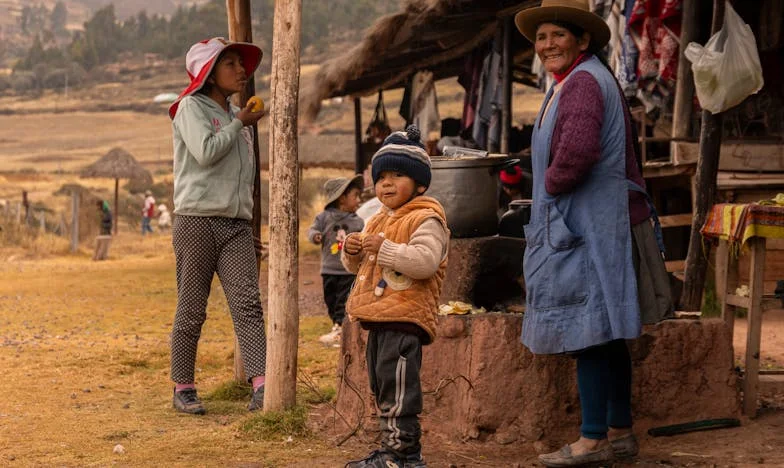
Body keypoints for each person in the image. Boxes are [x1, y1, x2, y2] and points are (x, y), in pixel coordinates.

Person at [514, 1, 673, 466]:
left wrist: (548, 184)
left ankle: (592, 439)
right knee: (607, 331)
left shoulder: (582, 84)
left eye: (557, 36)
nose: (546, 45)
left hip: (588, 227)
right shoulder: (581, 80)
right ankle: (621, 432)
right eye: (541, 38)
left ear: (581, 40)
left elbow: (577, 153)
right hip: (597, 225)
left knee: (587, 334)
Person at [167, 37, 268, 415]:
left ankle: (261, 384)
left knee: (247, 304)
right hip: (196, 220)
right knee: (192, 307)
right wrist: (240, 121)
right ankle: (183, 386)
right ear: (209, 73)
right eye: (231, 64)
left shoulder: (234, 117)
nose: (241, 71)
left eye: (241, 65)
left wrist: (239, 121)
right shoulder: (190, 108)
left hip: (236, 224)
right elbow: (206, 152)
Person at [341, 125, 449, 468]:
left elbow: (425, 262)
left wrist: (385, 249)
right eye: (382, 175)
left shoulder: (427, 218)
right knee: (384, 384)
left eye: (398, 175)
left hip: (405, 319)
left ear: (420, 183)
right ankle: (390, 450)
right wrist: (353, 250)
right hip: (380, 318)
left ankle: (403, 454)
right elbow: (357, 266)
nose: (387, 183)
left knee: (400, 387)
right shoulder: (375, 220)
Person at [307, 175, 365, 345]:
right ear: (342, 198)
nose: (359, 200)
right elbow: (312, 231)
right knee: (330, 301)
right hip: (328, 269)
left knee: (343, 301)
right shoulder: (323, 217)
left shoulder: (358, 221)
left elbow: (364, 236)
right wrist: (315, 236)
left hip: (348, 271)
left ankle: (341, 329)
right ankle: (337, 324)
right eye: (355, 196)